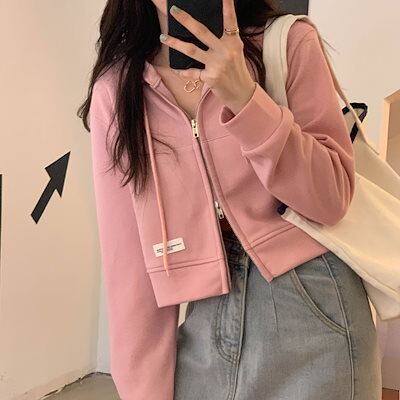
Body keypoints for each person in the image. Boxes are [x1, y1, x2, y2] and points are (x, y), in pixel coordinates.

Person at [78, 0, 382, 399]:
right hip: (204, 319)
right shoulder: (118, 92)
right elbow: (128, 267)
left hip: (314, 306)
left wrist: (245, 98)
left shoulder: (286, 42)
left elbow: (331, 198)